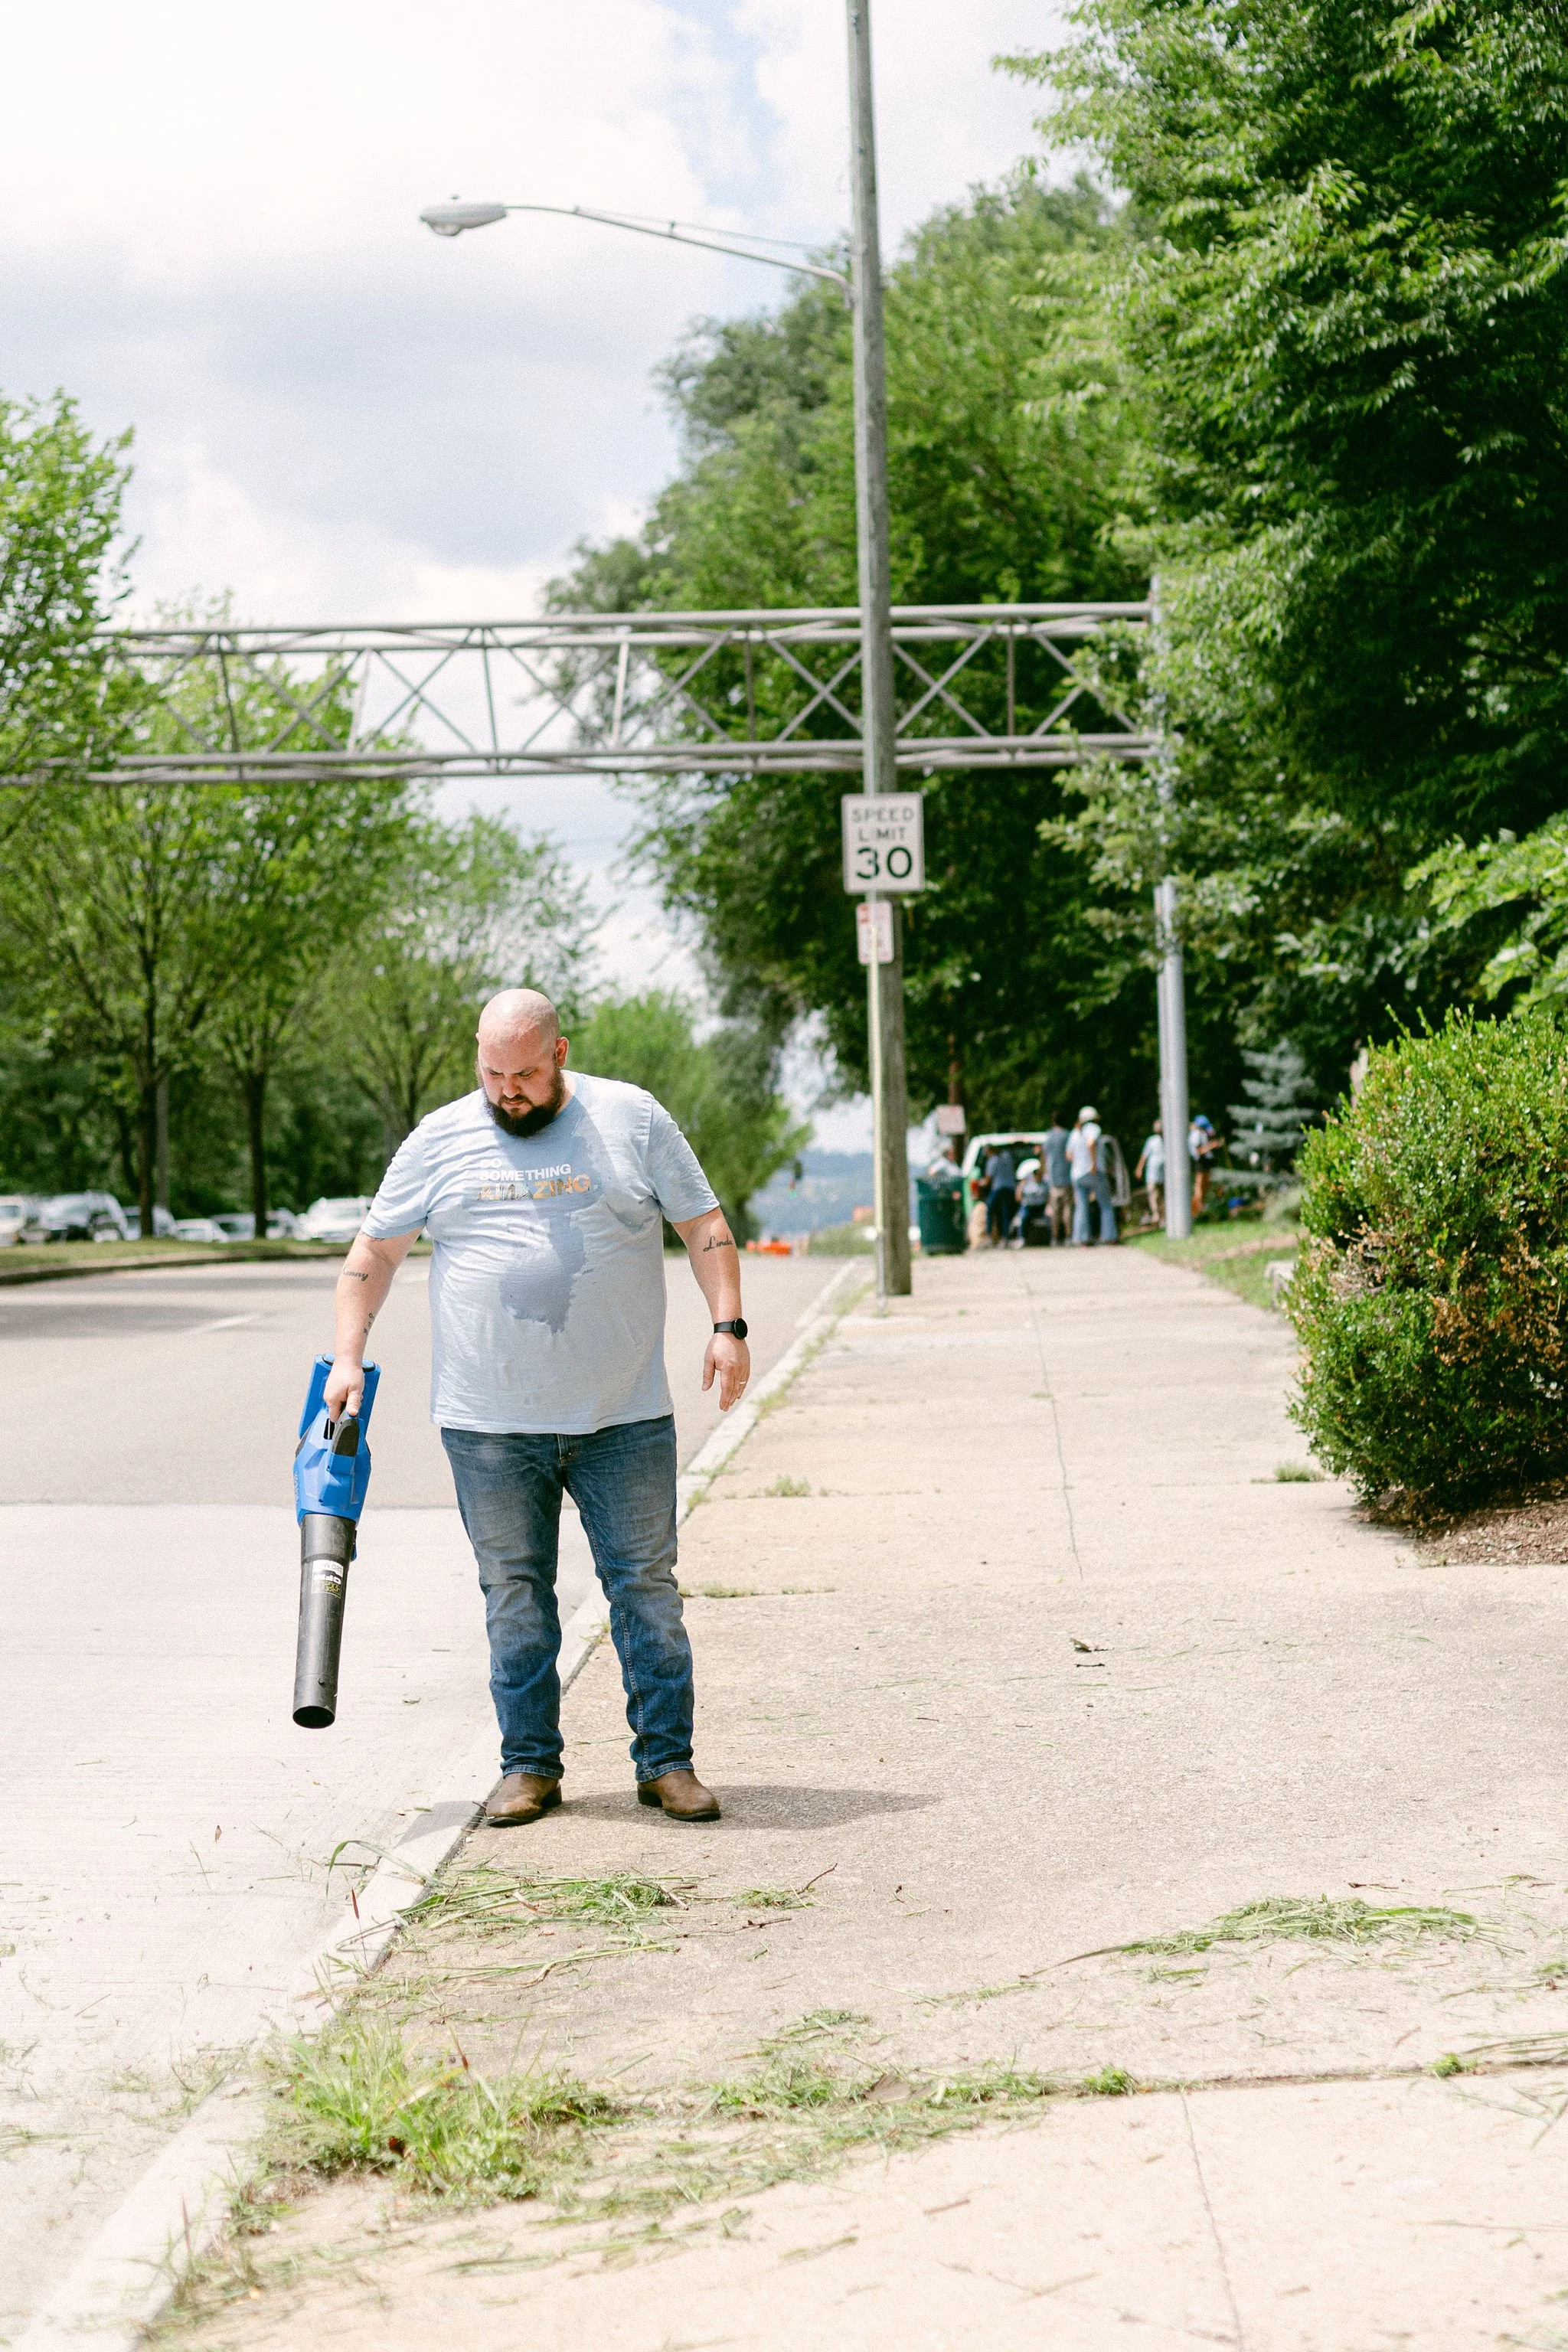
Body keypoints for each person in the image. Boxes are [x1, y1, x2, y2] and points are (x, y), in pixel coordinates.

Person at [324, 988, 748, 1829]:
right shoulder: (439, 1137)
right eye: (492, 1073)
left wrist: (727, 1325)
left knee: (645, 1591)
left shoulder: (631, 1119)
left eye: (524, 1073)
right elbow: (373, 1251)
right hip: (486, 1424)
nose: (507, 1090)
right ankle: (529, 1767)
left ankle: (666, 1763)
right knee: (514, 1594)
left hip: (621, 1416)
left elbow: (702, 1223)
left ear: (559, 1054)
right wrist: (347, 1355)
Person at [1068, 1104, 1118, 1246]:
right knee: (1105, 1204)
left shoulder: (1075, 1133)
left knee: (1082, 1206)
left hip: (1077, 1175)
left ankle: (1082, 1239)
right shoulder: (1093, 1128)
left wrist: (1080, 1161)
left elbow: (1069, 1155)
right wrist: (1093, 1164)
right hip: (1093, 1172)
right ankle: (1109, 1237)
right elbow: (1091, 1144)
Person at [1041, 1115, 1073, 1246]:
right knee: (1067, 1209)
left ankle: (1055, 1237)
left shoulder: (1049, 1136)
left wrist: (1044, 1173)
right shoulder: (1067, 1135)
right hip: (1067, 1177)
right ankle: (1068, 1235)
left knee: (1055, 1210)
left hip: (1053, 1179)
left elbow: (1044, 1156)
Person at [1189, 1113, 1224, 1217]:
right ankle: (1194, 1211)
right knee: (1199, 1187)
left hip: (1206, 1163)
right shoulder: (1196, 1135)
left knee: (1206, 1186)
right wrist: (1212, 1146)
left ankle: (1200, 1209)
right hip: (1200, 1163)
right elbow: (1199, 1150)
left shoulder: (1202, 1133)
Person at [983, 1142, 1018, 1246]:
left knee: (990, 1210)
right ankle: (1005, 1237)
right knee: (1005, 1212)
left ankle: (989, 1236)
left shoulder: (993, 1160)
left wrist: (981, 1183)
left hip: (998, 1188)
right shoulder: (1007, 1156)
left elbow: (988, 1180)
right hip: (1010, 1187)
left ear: (990, 1150)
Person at [1135, 1118, 1165, 1227]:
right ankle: (1156, 1216)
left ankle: (1164, 1218)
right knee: (1153, 1195)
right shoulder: (1151, 1141)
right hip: (1152, 1174)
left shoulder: (1169, 1140)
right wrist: (1139, 1169)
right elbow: (1144, 1156)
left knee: (1163, 1197)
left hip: (1165, 1175)